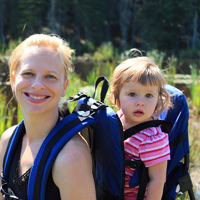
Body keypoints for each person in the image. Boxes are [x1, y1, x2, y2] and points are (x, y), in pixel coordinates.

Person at [0, 34, 96, 200]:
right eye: (28, 73)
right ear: (14, 80)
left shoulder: (71, 156)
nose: (37, 85)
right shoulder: (8, 140)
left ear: (64, 87)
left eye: (50, 76)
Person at [109, 52, 171, 200]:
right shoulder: (115, 119)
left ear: (158, 101)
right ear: (117, 99)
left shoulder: (153, 139)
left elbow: (157, 180)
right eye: (132, 94)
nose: (140, 102)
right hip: (108, 190)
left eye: (148, 95)